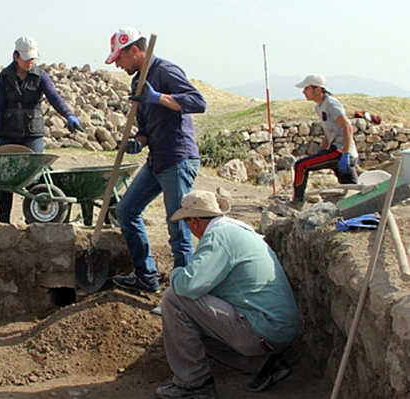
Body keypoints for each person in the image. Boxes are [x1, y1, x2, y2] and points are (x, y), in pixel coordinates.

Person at [157, 190, 299, 399]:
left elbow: (187, 286)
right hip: (276, 329)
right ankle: (263, 365)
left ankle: (194, 384)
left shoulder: (218, 237)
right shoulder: (236, 230)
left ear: (194, 222)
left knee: (173, 300)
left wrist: (176, 272)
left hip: (263, 329)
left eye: (187, 222)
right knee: (191, 327)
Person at [106, 27, 206, 293]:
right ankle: (146, 276)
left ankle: (184, 295)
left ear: (135, 50)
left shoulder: (166, 72)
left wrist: (158, 97)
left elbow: (198, 102)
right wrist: (138, 142)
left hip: (178, 158)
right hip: (157, 159)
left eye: (119, 58)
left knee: (178, 228)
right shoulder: (137, 82)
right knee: (126, 211)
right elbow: (145, 129)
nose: (117, 63)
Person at [0, 36, 82, 223]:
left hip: (33, 133)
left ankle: (36, 218)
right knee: (6, 179)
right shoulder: (5, 77)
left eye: (33, 58)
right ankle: (3, 221)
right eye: (27, 58)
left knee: (34, 176)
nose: (31, 62)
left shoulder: (41, 76)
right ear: (16, 56)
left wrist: (68, 115)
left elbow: (54, 97)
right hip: (8, 133)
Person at [291, 74, 359, 210]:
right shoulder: (319, 107)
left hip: (340, 151)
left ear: (318, 90)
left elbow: (347, 127)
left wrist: (345, 154)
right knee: (352, 189)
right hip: (338, 150)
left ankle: (297, 202)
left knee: (301, 166)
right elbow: (329, 131)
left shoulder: (331, 104)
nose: (303, 92)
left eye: (306, 88)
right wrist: (323, 150)